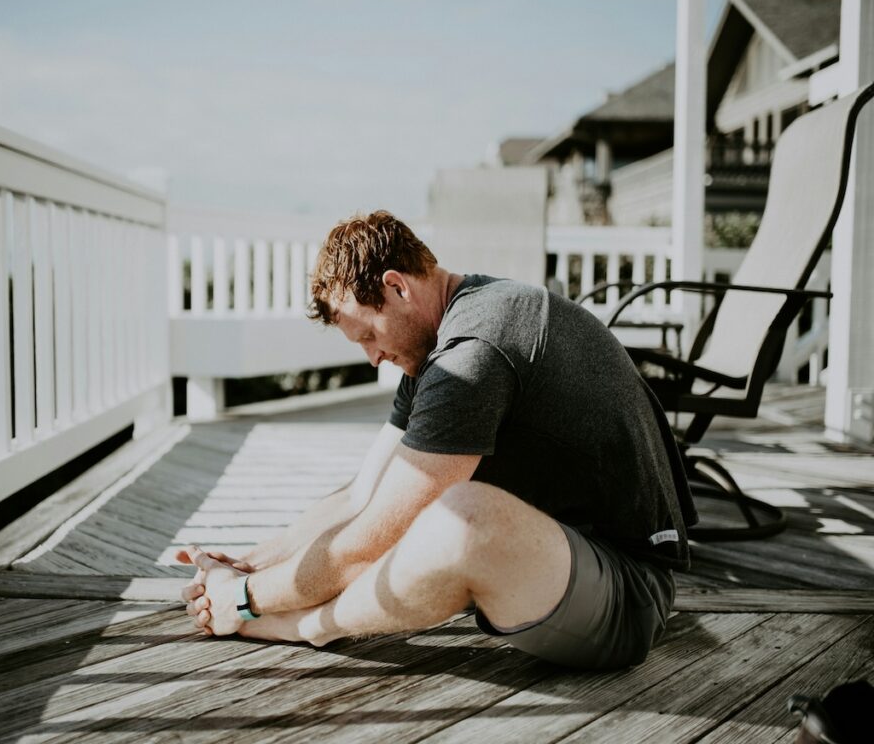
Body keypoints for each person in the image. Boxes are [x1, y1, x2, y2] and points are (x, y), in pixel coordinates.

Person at [179, 210, 696, 670]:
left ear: (396, 287)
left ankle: (310, 628)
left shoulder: (474, 351)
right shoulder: (443, 339)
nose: (371, 357)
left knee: (460, 518)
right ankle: (284, 608)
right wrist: (249, 563)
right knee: (405, 503)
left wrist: (247, 600)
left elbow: (366, 545)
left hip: (627, 593)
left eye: (367, 335)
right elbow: (362, 496)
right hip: (556, 558)